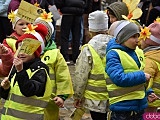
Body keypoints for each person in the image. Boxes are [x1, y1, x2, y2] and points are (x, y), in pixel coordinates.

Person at [0, 23, 53, 119]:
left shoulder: (40, 70)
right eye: (20, 48)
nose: (22, 52)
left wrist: (20, 71)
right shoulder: (16, 67)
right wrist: (5, 88)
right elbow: (9, 96)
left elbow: (29, 91)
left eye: (27, 49)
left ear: (36, 51)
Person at [105, 20, 151, 120]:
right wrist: (142, 76)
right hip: (121, 106)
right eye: (133, 37)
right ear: (123, 38)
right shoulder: (113, 54)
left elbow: (141, 75)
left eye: (138, 36)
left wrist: (149, 92)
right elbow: (118, 78)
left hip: (139, 104)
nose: (137, 40)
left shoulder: (138, 52)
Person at [73, 10, 113, 120]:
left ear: (90, 29)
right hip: (114, 96)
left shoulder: (88, 49)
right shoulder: (116, 45)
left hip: (94, 98)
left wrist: (78, 96)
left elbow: (81, 75)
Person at [35, 11, 74, 120]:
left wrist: (62, 96)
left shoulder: (55, 54)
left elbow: (63, 76)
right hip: (32, 99)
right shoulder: (29, 53)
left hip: (50, 100)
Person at [139, 22, 160, 112]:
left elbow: (145, 80)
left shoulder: (149, 59)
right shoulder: (157, 55)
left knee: (149, 116)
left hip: (151, 99)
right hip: (157, 98)